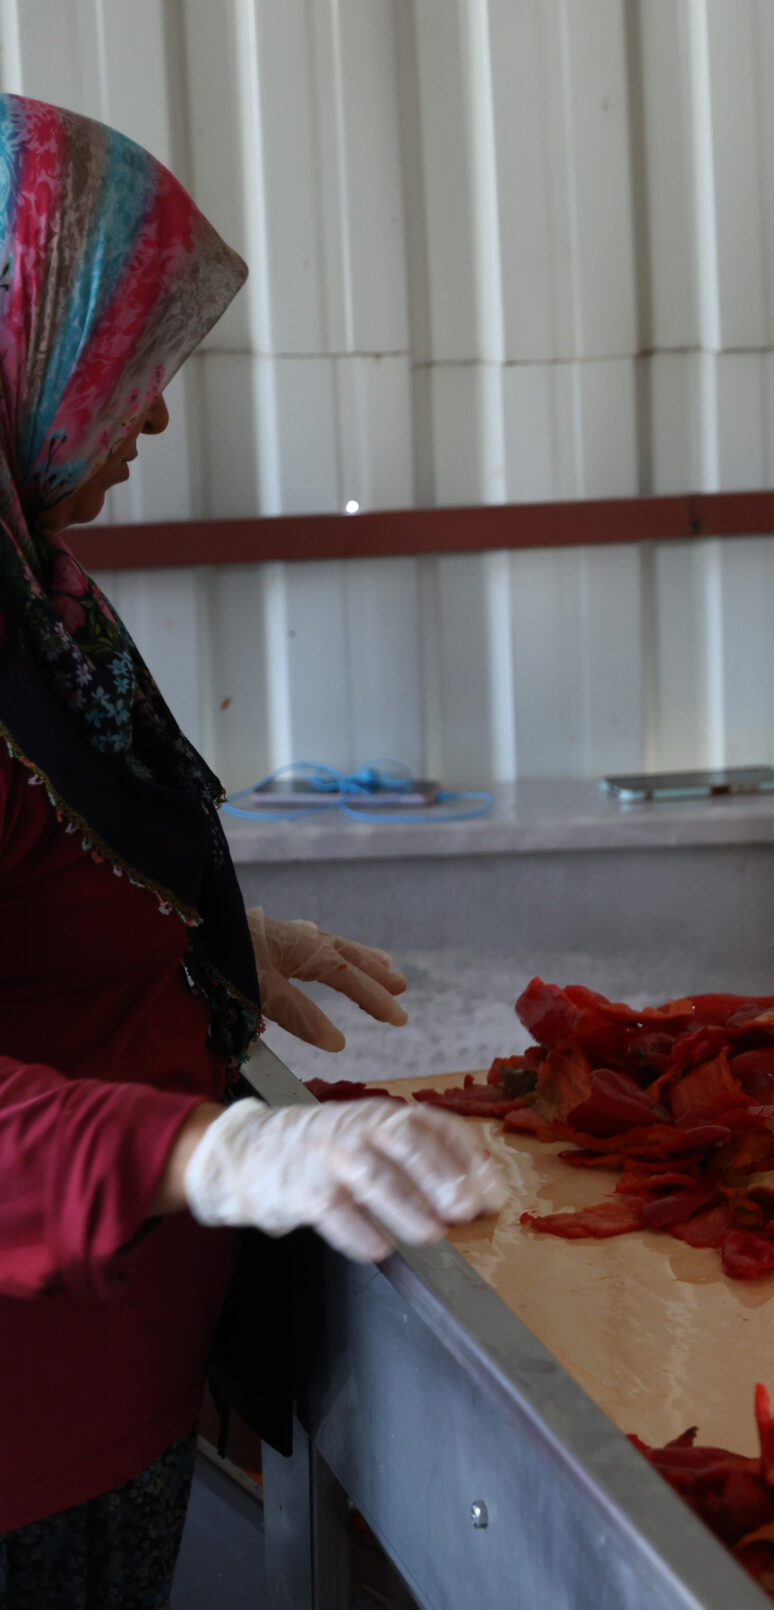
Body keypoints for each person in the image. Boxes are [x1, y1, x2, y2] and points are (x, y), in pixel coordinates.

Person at [0, 97, 503, 1605]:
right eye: (129, 358)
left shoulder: (29, 588)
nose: (152, 413)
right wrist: (217, 1147)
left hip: (100, 1403)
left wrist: (195, 945)